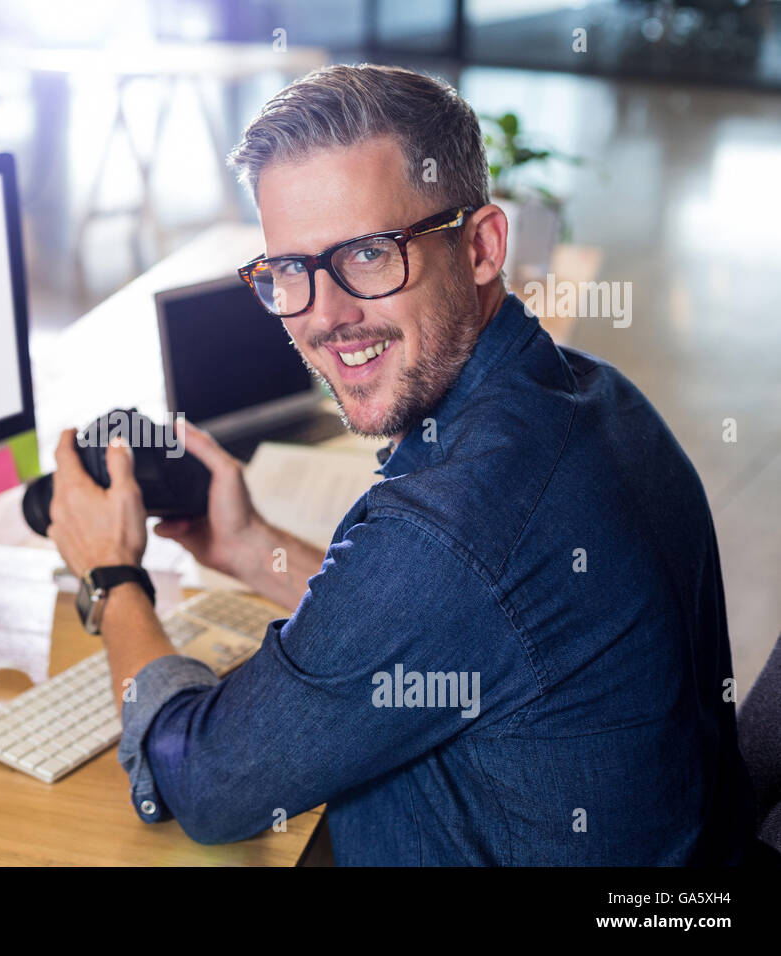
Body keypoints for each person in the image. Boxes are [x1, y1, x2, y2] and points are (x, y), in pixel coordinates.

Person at [45, 64, 757, 864]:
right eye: (290, 271)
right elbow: (455, 624)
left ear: (483, 246)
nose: (327, 315)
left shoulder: (448, 528)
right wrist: (252, 548)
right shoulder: (598, 395)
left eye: (371, 256)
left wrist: (113, 580)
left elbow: (206, 783)